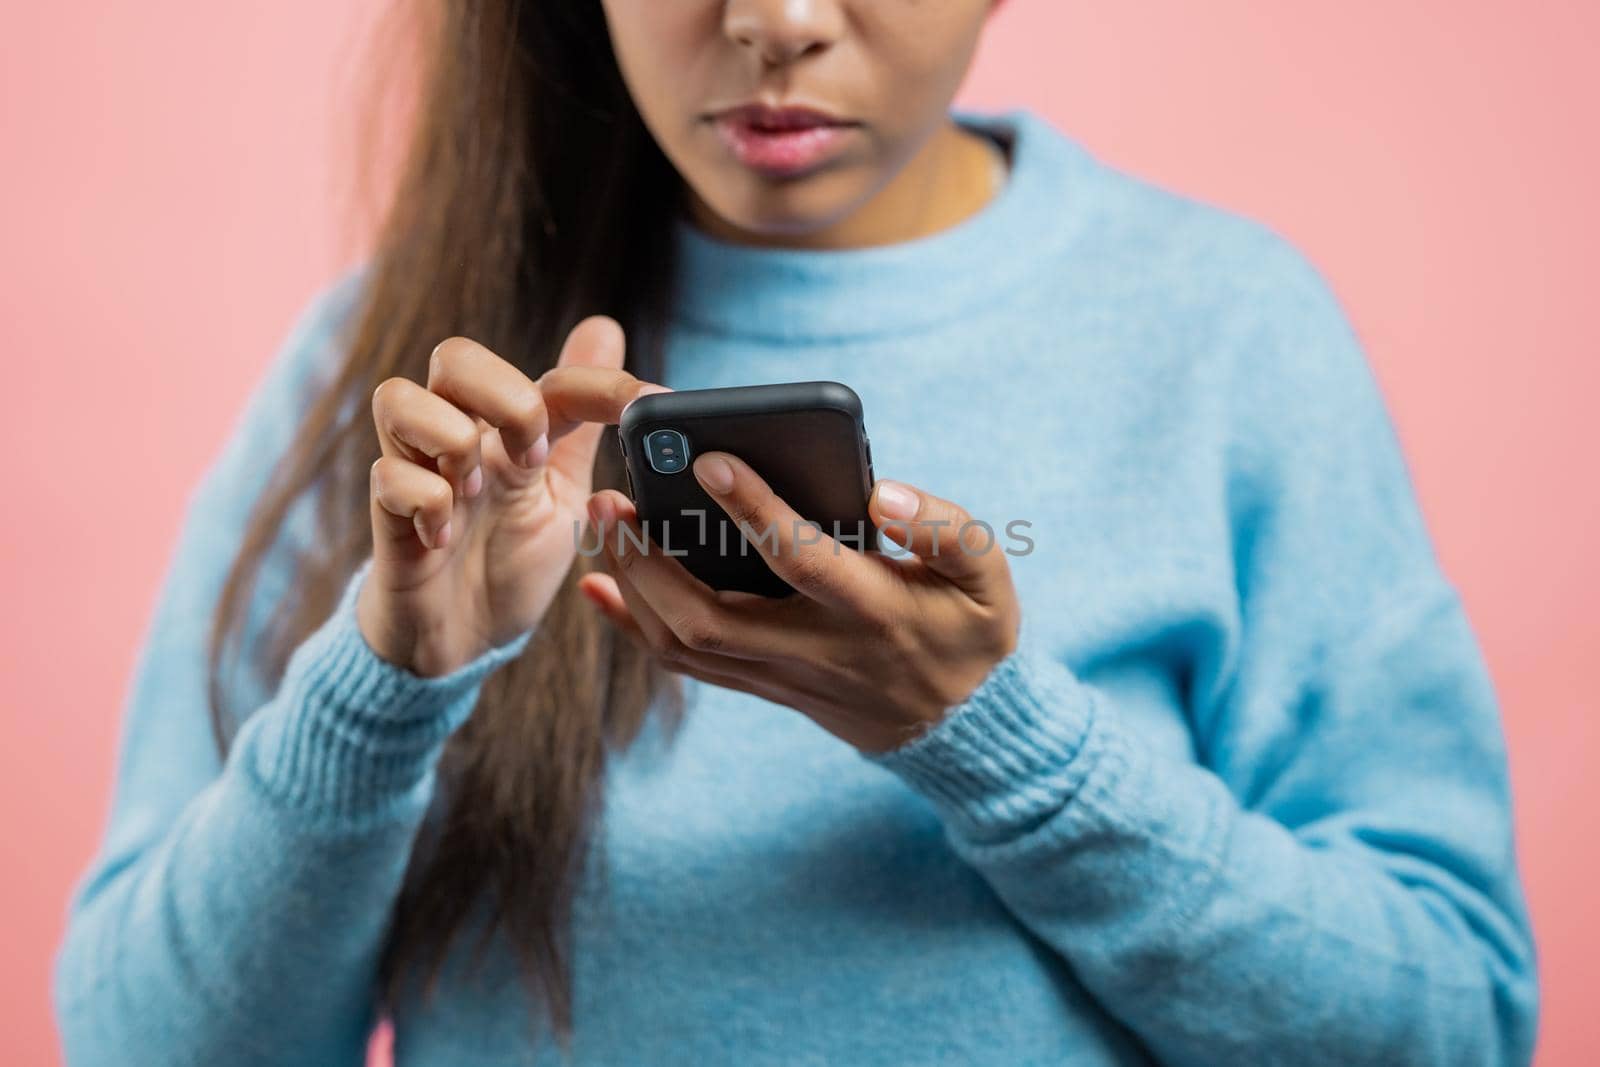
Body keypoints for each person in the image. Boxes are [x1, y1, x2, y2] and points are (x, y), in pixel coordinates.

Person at [53, 1, 1539, 1064]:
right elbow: (143, 1044)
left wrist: (996, 745)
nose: (775, 21)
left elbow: (1455, 1023)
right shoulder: (405, 388)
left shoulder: (1225, 334)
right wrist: (381, 690)